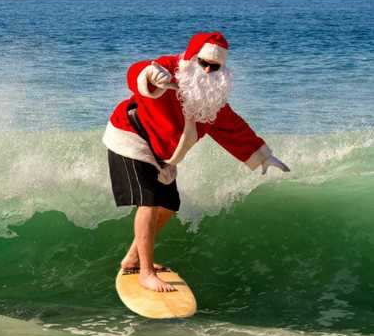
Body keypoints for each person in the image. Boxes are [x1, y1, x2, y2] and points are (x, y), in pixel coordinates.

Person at [103, 31, 290, 292]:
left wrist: (263, 156)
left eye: (214, 67)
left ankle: (133, 258)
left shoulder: (211, 99)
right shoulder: (169, 68)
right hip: (131, 137)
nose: (207, 70)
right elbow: (136, 72)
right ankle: (145, 272)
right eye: (203, 63)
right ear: (192, 57)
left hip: (162, 153)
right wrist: (149, 75)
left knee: (168, 205)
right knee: (149, 201)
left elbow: (232, 128)